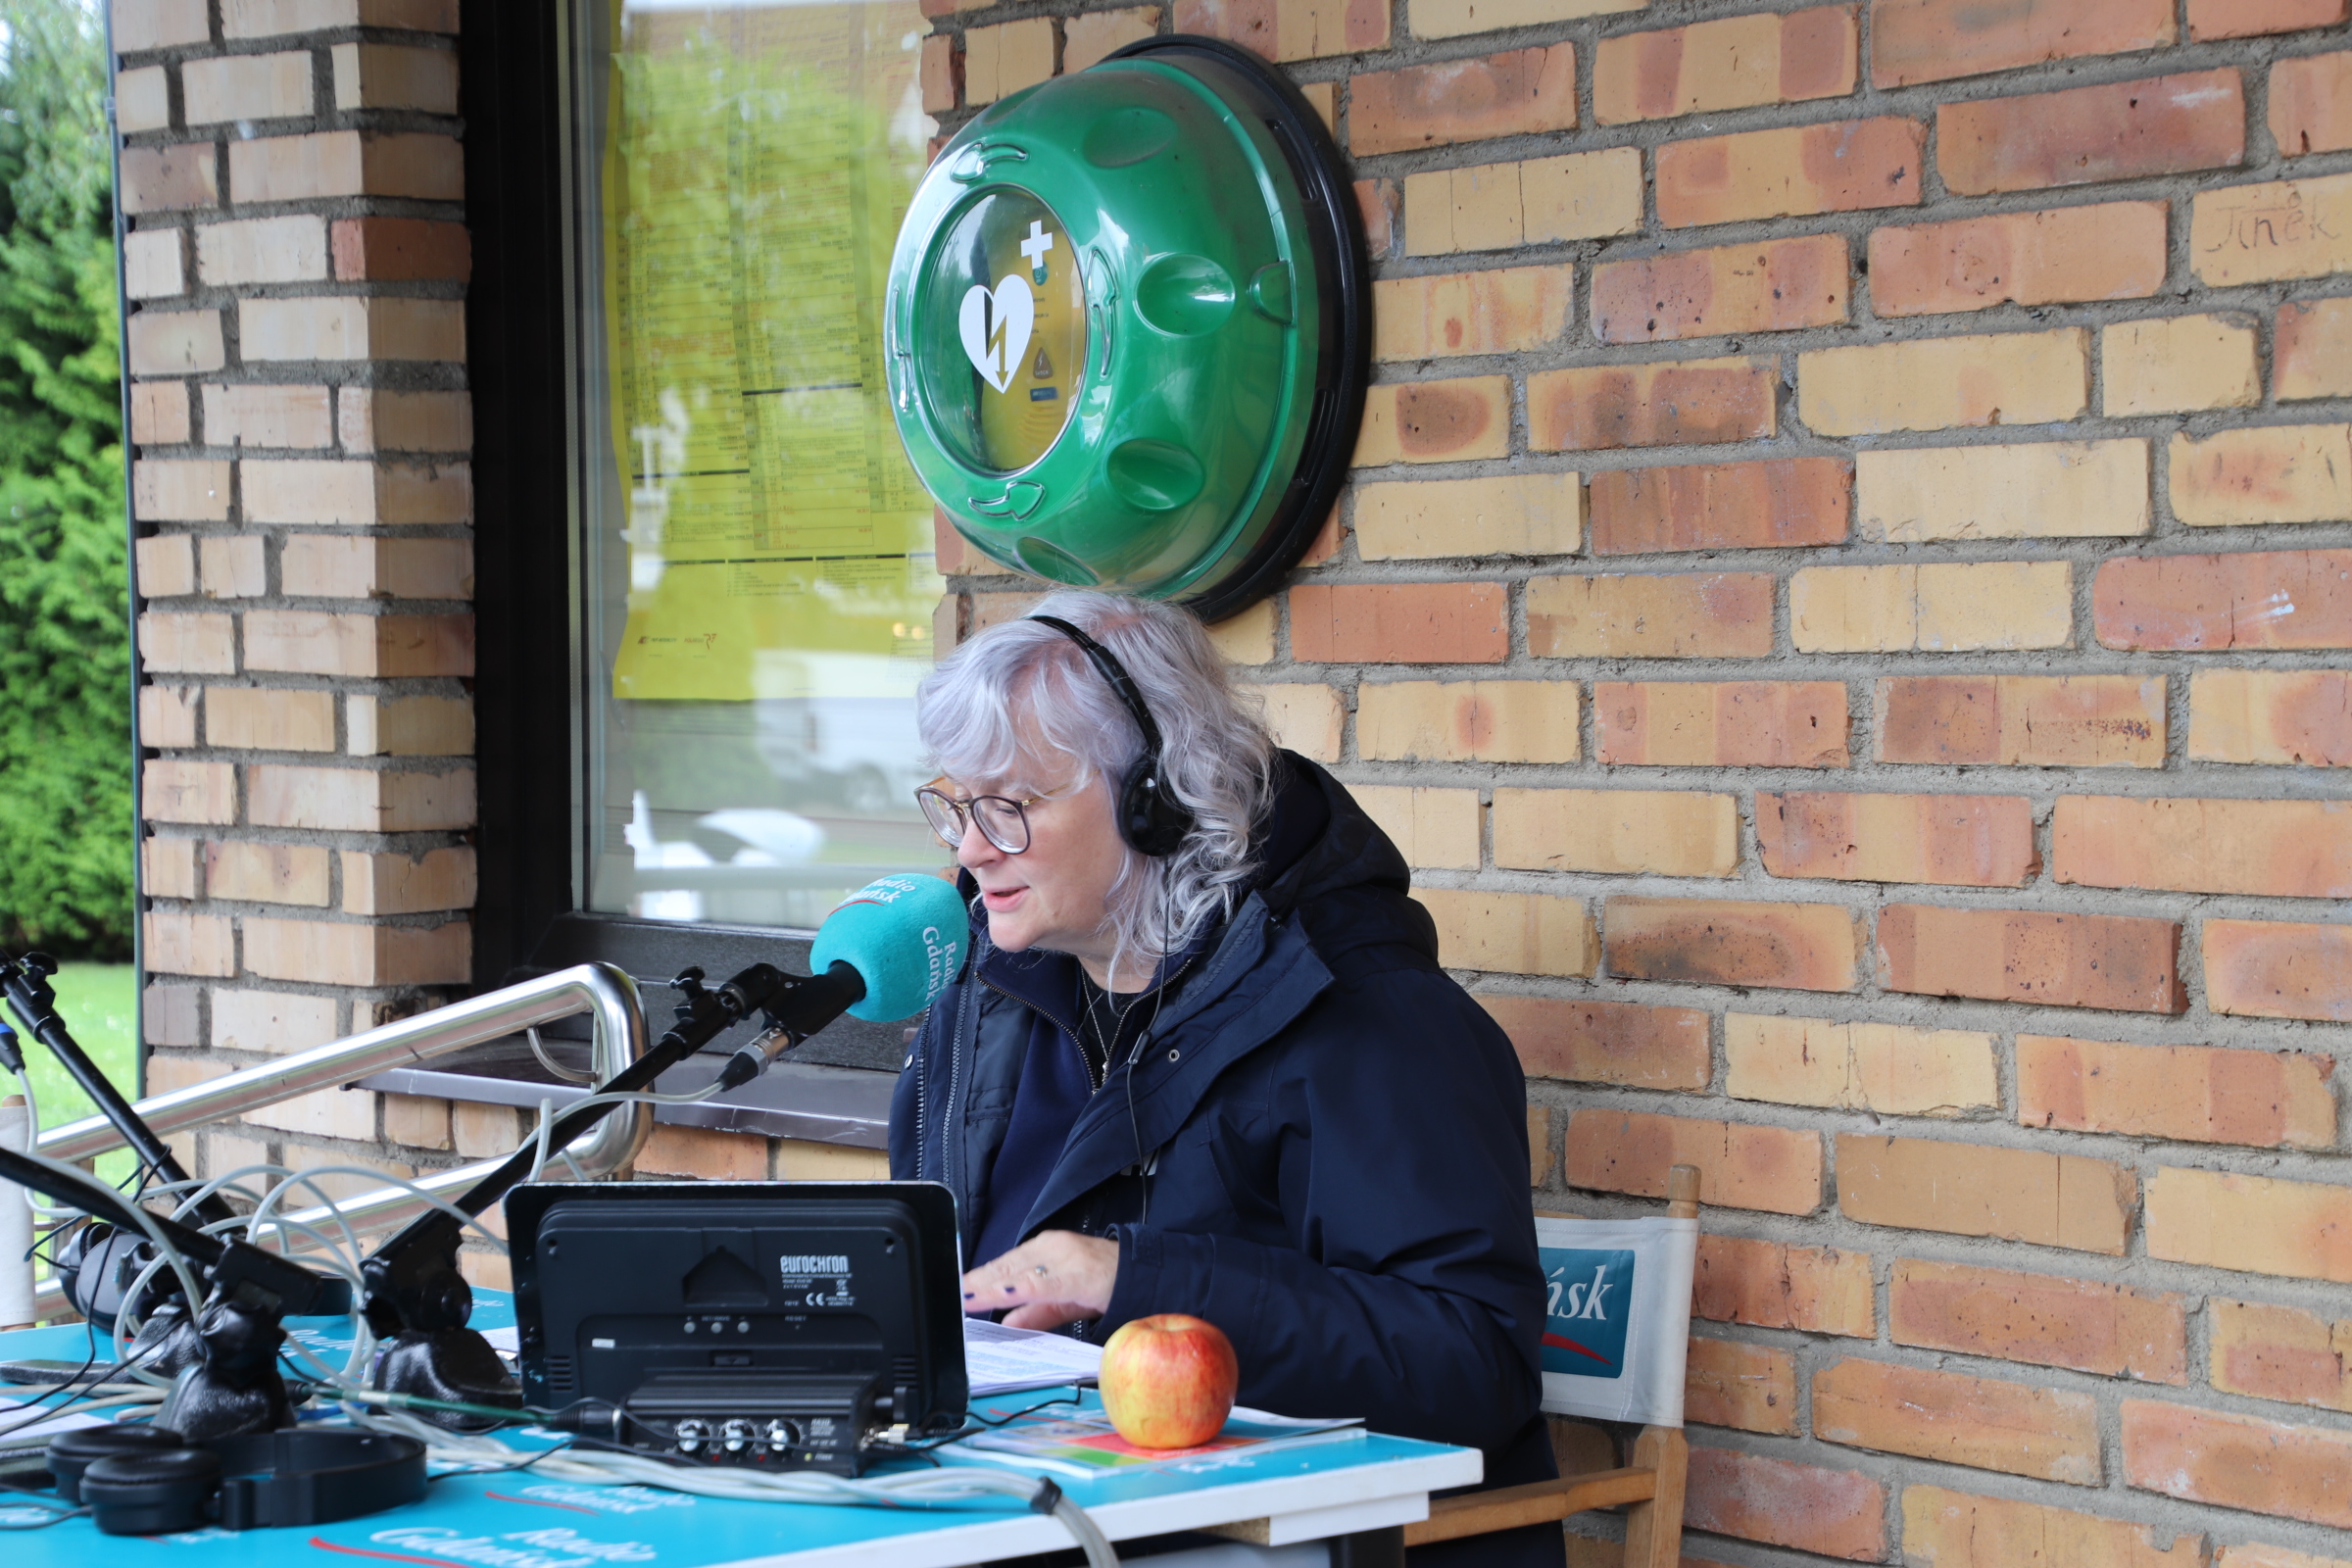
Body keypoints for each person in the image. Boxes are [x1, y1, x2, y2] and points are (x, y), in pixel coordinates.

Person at [891, 590, 1560, 1568]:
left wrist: (1133, 1279)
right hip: (1014, 1508)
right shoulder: (982, 995)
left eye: (1014, 806)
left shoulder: (1371, 1016)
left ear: (1155, 798)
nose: (972, 847)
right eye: (958, 805)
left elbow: (1474, 1362)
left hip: (1277, 1539)